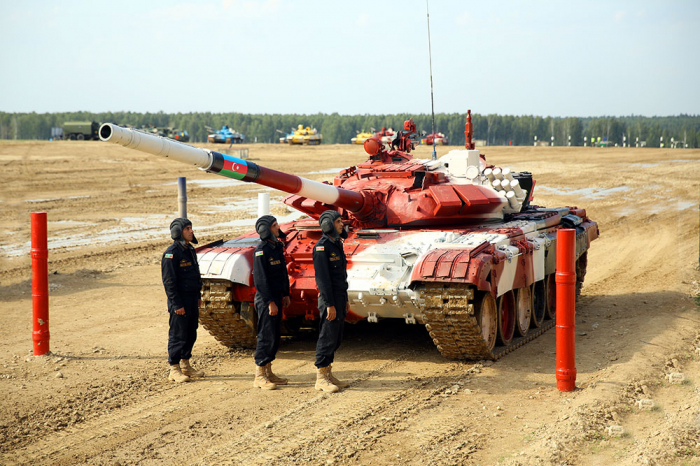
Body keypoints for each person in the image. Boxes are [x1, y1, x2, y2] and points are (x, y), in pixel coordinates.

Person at [161, 218, 204, 383]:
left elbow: (195, 275)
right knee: (178, 334)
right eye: (187, 229)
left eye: (191, 228)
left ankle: (186, 365)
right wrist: (177, 304)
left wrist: (198, 296)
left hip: (192, 298)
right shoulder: (172, 253)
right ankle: (174, 368)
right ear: (178, 231)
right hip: (180, 301)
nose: (191, 231)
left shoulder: (190, 250)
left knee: (191, 332)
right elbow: (169, 282)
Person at [313, 210, 351, 393]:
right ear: (328, 224)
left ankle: (328, 373)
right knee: (327, 337)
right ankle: (321, 378)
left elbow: (341, 277)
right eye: (338, 222)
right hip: (330, 299)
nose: (341, 224)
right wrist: (329, 304)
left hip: (339, 297)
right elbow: (322, 279)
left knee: (336, 337)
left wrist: (346, 300)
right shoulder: (322, 247)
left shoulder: (337, 244)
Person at [252, 215, 291, 390]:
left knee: (275, 336)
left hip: (276, 297)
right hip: (266, 299)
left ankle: (268, 371)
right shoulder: (262, 250)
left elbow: (282, 272)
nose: (278, 227)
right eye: (274, 225)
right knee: (266, 335)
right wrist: (269, 302)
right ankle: (259, 375)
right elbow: (261, 280)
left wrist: (285, 293)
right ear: (266, 229)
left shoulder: (276, 247)